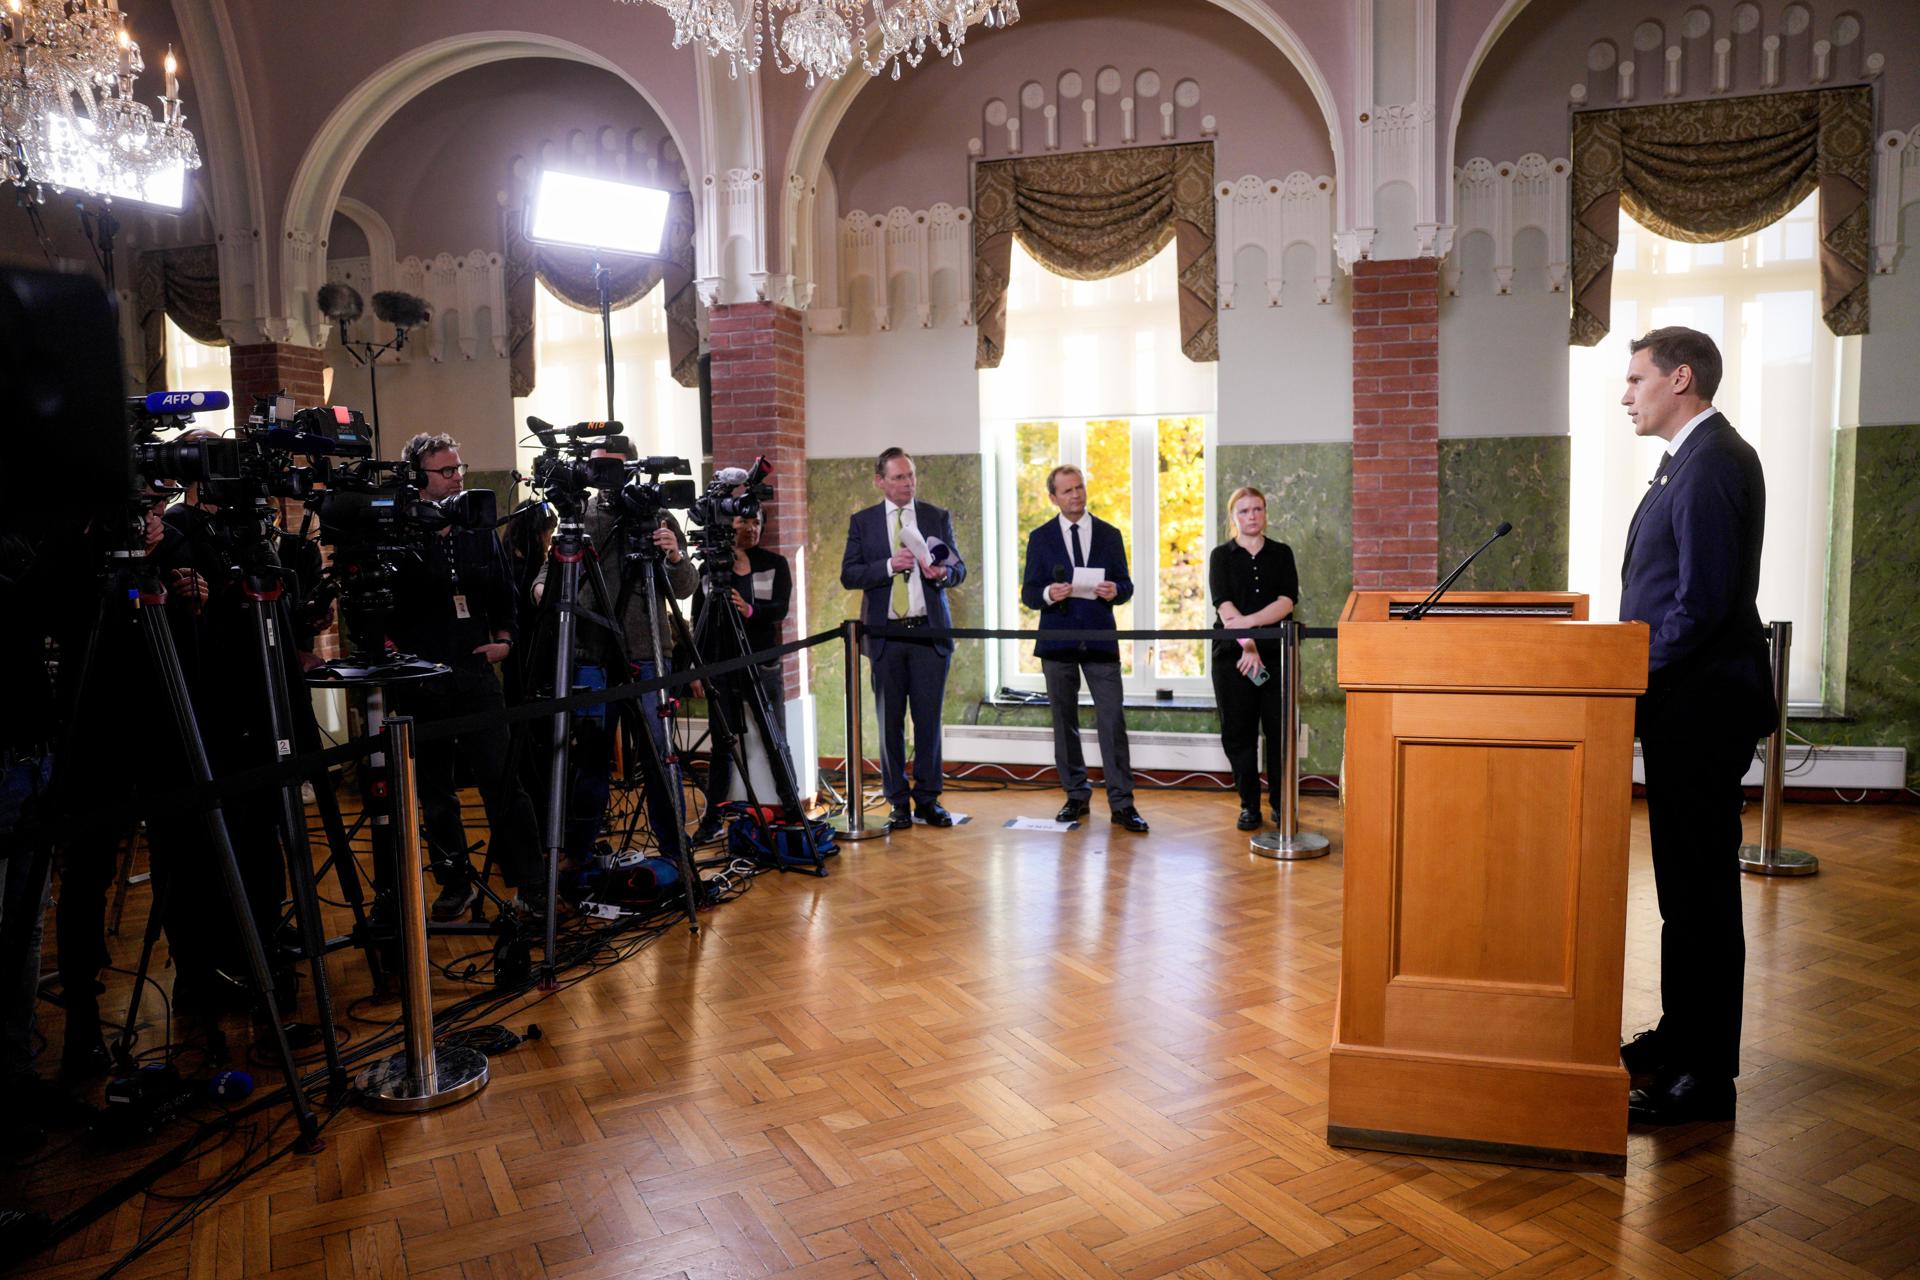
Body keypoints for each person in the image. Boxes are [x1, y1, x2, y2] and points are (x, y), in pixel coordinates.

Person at [1616, 326, 1772, 1125]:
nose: (1626, 394)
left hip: (1701, 710)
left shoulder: (1713, 461)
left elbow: (1703, 603)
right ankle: (1681, 1038)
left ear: (1681, 379)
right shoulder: (1694, 458)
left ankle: (1705, 1079)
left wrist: (1628, 670)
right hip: (1684, 707)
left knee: (1703, 896)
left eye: (1637, 379)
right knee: (1683, 893)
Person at [387, 432, 544, 918]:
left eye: (460, 468)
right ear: (419, 477)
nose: (458, 477)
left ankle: (532, 885)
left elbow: (504, 592)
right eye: (447, 471)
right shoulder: (397, 530)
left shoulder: (476, 526)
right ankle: (455, 882)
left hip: (476, 673)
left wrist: (506, 640)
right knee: (435, 792)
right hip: (420, 680)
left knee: (502, 782)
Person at [840, 447, 967, 830]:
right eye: (898, 477)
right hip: (885, 637)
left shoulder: (935, 516)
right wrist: (887, 566)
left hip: (929, 635)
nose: (907, 483)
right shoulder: (863, 522)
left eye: (910, 476)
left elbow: (958, 567)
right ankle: (897, 802)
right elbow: (850, 574)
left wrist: (943, 573)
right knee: (889, 722)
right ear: (880, 481)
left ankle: (928, 800)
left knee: (928, 722)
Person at [1018, 465, 1148, 833]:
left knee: (1112, 720)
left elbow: (1126, 586)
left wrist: (1115, 591)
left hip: (1100, 642)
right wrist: (1048, 593)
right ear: (1053, 498)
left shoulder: (1109, 533)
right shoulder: (1040, 537)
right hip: (1057, 641)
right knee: (1064, 723)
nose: (1076, 495)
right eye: (1067, 491)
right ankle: (1076, 796)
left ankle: (1123, 804)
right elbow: (1029, 593)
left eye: (1079, 488)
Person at [689, 509, 793, 844]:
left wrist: (750, 611)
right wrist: (698, 669)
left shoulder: (775, 563)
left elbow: (780, 608)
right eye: (743, 523)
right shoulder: (709, 570)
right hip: (722, 666)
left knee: (775, 738)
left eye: (757, 523)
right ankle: (713, 818)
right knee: (722, 744)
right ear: (727, 527)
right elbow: (698, 621)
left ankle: (792, 809)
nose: (751, 529)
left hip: (763, 665)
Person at [1208, 486, 1299, 832]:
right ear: (1234, 517)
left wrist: (1250, 627)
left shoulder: (1281, 553)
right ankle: (1249, 805)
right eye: (1244, 511)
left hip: (1276, 657)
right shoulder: (1221, 556)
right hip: (1233, 657)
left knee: (1278, 733)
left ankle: (1280, 804)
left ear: (1265, 513)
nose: (1252, 516)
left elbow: (1287, 601)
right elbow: (1225, 606)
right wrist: (1248, 643)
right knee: (1238, 733)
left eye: (1257, 509)